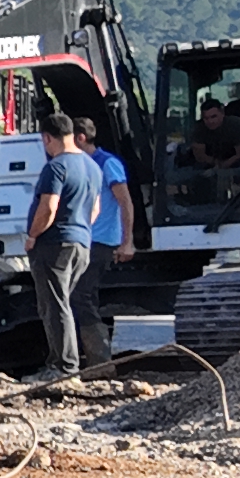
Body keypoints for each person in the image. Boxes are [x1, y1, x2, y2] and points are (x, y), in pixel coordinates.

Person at [25, 113, 104, 381]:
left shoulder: (56, 167)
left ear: (48, 138)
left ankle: (63, 368)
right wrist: (79, 228)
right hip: (81, 243)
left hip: (54, 244)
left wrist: (33, 235)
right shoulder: (92, 167)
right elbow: (95, 209)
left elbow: (48, 207)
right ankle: (62, 363)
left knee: (55, 306)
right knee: (62, 304)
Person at [78, 116, 134, 368]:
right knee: (83, 295)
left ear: (80, 138)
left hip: (101, 240)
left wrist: (127, 241)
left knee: (81, 295)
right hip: (84, 239)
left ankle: (100, 359)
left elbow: (124, 201)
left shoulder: (106, 164)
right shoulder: (81, 164)